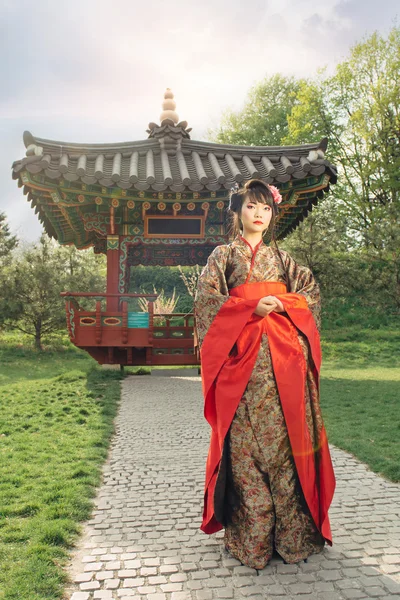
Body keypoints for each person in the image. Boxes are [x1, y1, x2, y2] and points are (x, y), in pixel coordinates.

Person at [193, 178, 336, 569]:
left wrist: (280, 303)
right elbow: (207, 302)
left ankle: (292, 540)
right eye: (252, 207)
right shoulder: (222, 257)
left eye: (266, 208)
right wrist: (248, 309)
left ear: (272, 216)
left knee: (288, 451)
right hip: (241, 368)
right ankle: (252, 540)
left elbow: (310, 294)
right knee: (244, 453)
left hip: (284, 368)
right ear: (237, 211)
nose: (259, 214)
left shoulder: (284, 259)